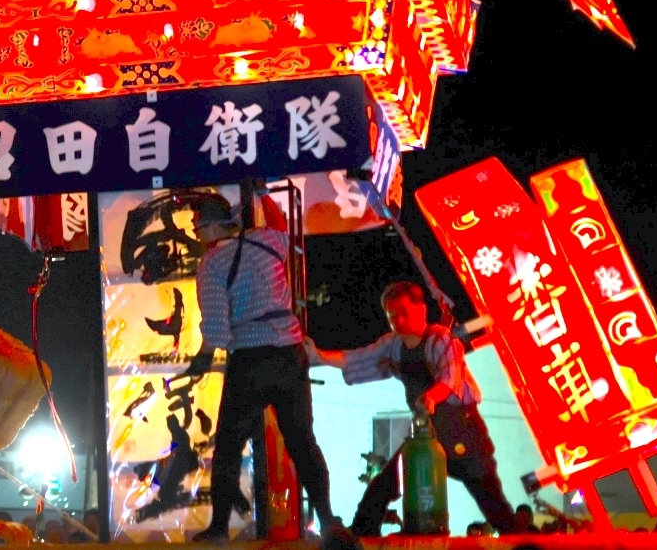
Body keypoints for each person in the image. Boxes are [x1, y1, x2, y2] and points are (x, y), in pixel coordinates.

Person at [187, 192, 349, 544]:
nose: (198, 234)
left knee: (229, 447)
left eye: (199, 227)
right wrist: (262, 193)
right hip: (290, 354)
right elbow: (281, 224)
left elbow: (216, 329)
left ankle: (218, 528)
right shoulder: (268, 241)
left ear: (216, 227)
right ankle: (328, 518)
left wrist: (201, 357)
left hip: (250, 358)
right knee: (302, 441)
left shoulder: (212, 264)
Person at [307, 281, 520, 536]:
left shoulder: (441, 339)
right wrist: (319, 356)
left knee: (492, 503)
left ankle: (524, 540)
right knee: (385, 483)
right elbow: (359, 357)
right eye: (392, 315)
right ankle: (363, 533)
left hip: (462, 432)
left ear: (421, 309)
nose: (397, 320)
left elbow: (450, 378)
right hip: (426, 435)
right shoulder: (393, 345)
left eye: (403, 313)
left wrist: (430, 397)